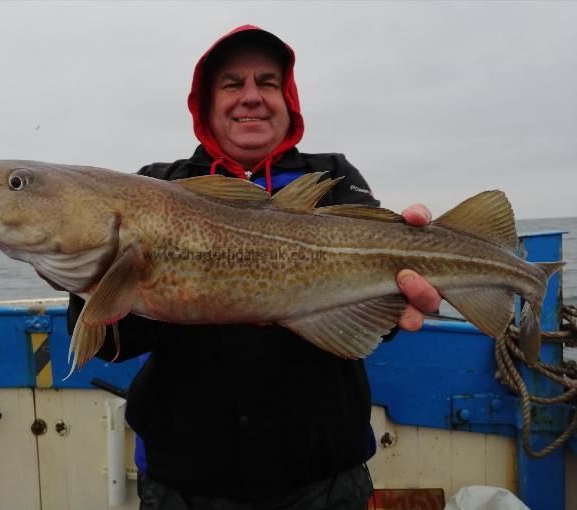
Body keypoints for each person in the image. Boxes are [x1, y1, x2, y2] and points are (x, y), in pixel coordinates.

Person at [69, 25, 441, 510]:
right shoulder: (157, 187)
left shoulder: (332, 178)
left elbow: (367, 322)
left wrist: (397, 304)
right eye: (231, 84)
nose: (251, 97)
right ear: (205, 104)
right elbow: (117, 348)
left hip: (323, 481)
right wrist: (87, 279)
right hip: (185, 485)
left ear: (288, 100)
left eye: (267, 83)